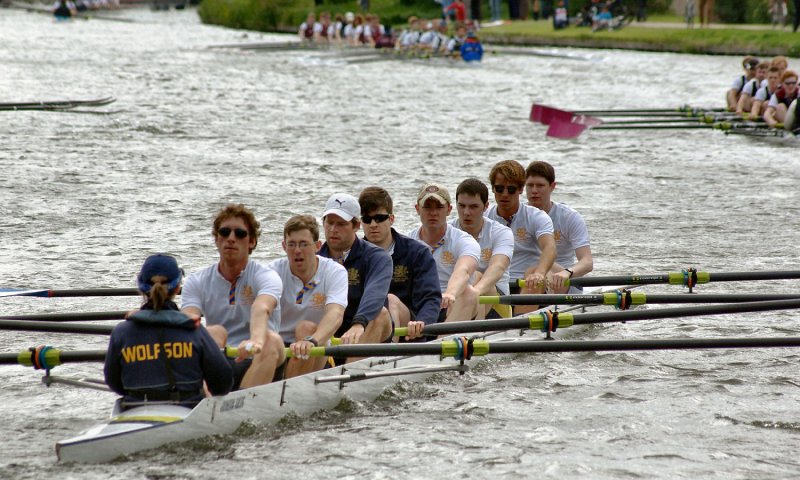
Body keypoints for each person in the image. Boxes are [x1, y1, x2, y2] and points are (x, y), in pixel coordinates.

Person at [105, 254, 233, 410]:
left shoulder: (121, 332)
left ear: (141, 287)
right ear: (178, 287)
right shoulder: (194, 330)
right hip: (187, 409)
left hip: (135, 409)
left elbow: (114, 384)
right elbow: (222, 385)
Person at [181, 204, 285, 390]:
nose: (231, 238)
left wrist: (255, 341)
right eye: (224, 232)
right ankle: (204, 401)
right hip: (220, 364)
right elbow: (189, 321)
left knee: (273, 340)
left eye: (240, 234)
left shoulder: (266, 276)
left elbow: (261, 308)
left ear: (251, 241)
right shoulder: (196, 281)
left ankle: (241, 408)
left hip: (259, 359)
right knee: (212, 332)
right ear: (217, 239)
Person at [268, 215, 346, 378]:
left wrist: (311, 341)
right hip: (279, 347)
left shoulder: (334, 272)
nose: (297, 250)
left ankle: (289, 394)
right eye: (292, 244)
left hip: (315, 344)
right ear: (284, 246)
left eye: (304, 244)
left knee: (306, 328)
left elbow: (336, 314)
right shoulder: (272, 272)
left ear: (318, 246)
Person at [358, 187, 441, 340]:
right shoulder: (353, 256)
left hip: (409, 328)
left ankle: (391, 354)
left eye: (379, 218)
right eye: (367, 220)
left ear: (391, 219)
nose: (373, 224)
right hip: (367, 323)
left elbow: (430, 298)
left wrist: (423, 323)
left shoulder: (417, 253)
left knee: (390, 301)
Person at [318, 194, 394, 358]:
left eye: (341, 224)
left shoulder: (378, 258)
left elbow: (374, 293)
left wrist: (359, 323)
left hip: (365, 328)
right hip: (328, 330)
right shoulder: (314, 258)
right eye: (329, 223)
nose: (333, 229)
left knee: (380, 313)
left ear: (356, 226)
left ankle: (350, 376)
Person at [485, 160, 556, 313]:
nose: (504, 194)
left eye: (511, 189)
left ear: (520, 190)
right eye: (499, 188)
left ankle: (519, 328)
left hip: (528, 284)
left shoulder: (537, 217)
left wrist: (540, 273)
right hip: (495, 285)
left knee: (533, 273)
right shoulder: (483, 217)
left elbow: (550, 247)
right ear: (493, 189)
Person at [407, 183, 480, 322]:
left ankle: (442, 341)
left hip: (450, 304)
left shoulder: (464, 241)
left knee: (469, 293)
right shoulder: (406, 242)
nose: (433, 213)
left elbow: (463, 270)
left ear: (449, 210)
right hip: (417, 306)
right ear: (417, 209)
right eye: (427, 207)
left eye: (439, 207)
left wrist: (450, 294)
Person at [525, 161, 593, 294]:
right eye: (530, 185)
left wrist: (567, 272)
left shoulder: (569, 217)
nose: (534, 191)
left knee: (539, 266)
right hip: (526, 276)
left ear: (552, 186)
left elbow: (587, 261)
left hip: (561, 280)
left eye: (540, 186)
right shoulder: (516, 214)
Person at [450, 179, 514, 319]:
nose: (466, 212)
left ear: (486, 206)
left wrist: (473, 293)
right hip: (455, 298)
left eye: (473, 207)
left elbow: (498, 266)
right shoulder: (447, 231)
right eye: (461, 206)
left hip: (495, 302)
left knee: (476, 276)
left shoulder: (501, 233)